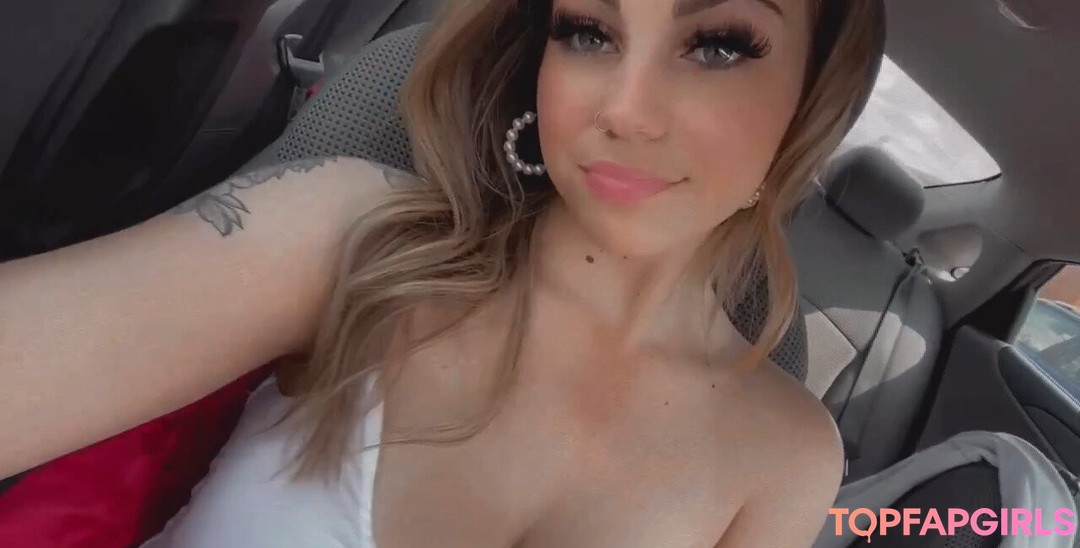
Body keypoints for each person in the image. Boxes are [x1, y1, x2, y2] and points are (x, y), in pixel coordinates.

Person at [0, 0, 880, 545]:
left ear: (814, 96)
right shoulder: (349, 234)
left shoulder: (790, 455)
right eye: (588, 31)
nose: (623, 109)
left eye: (718, 44)